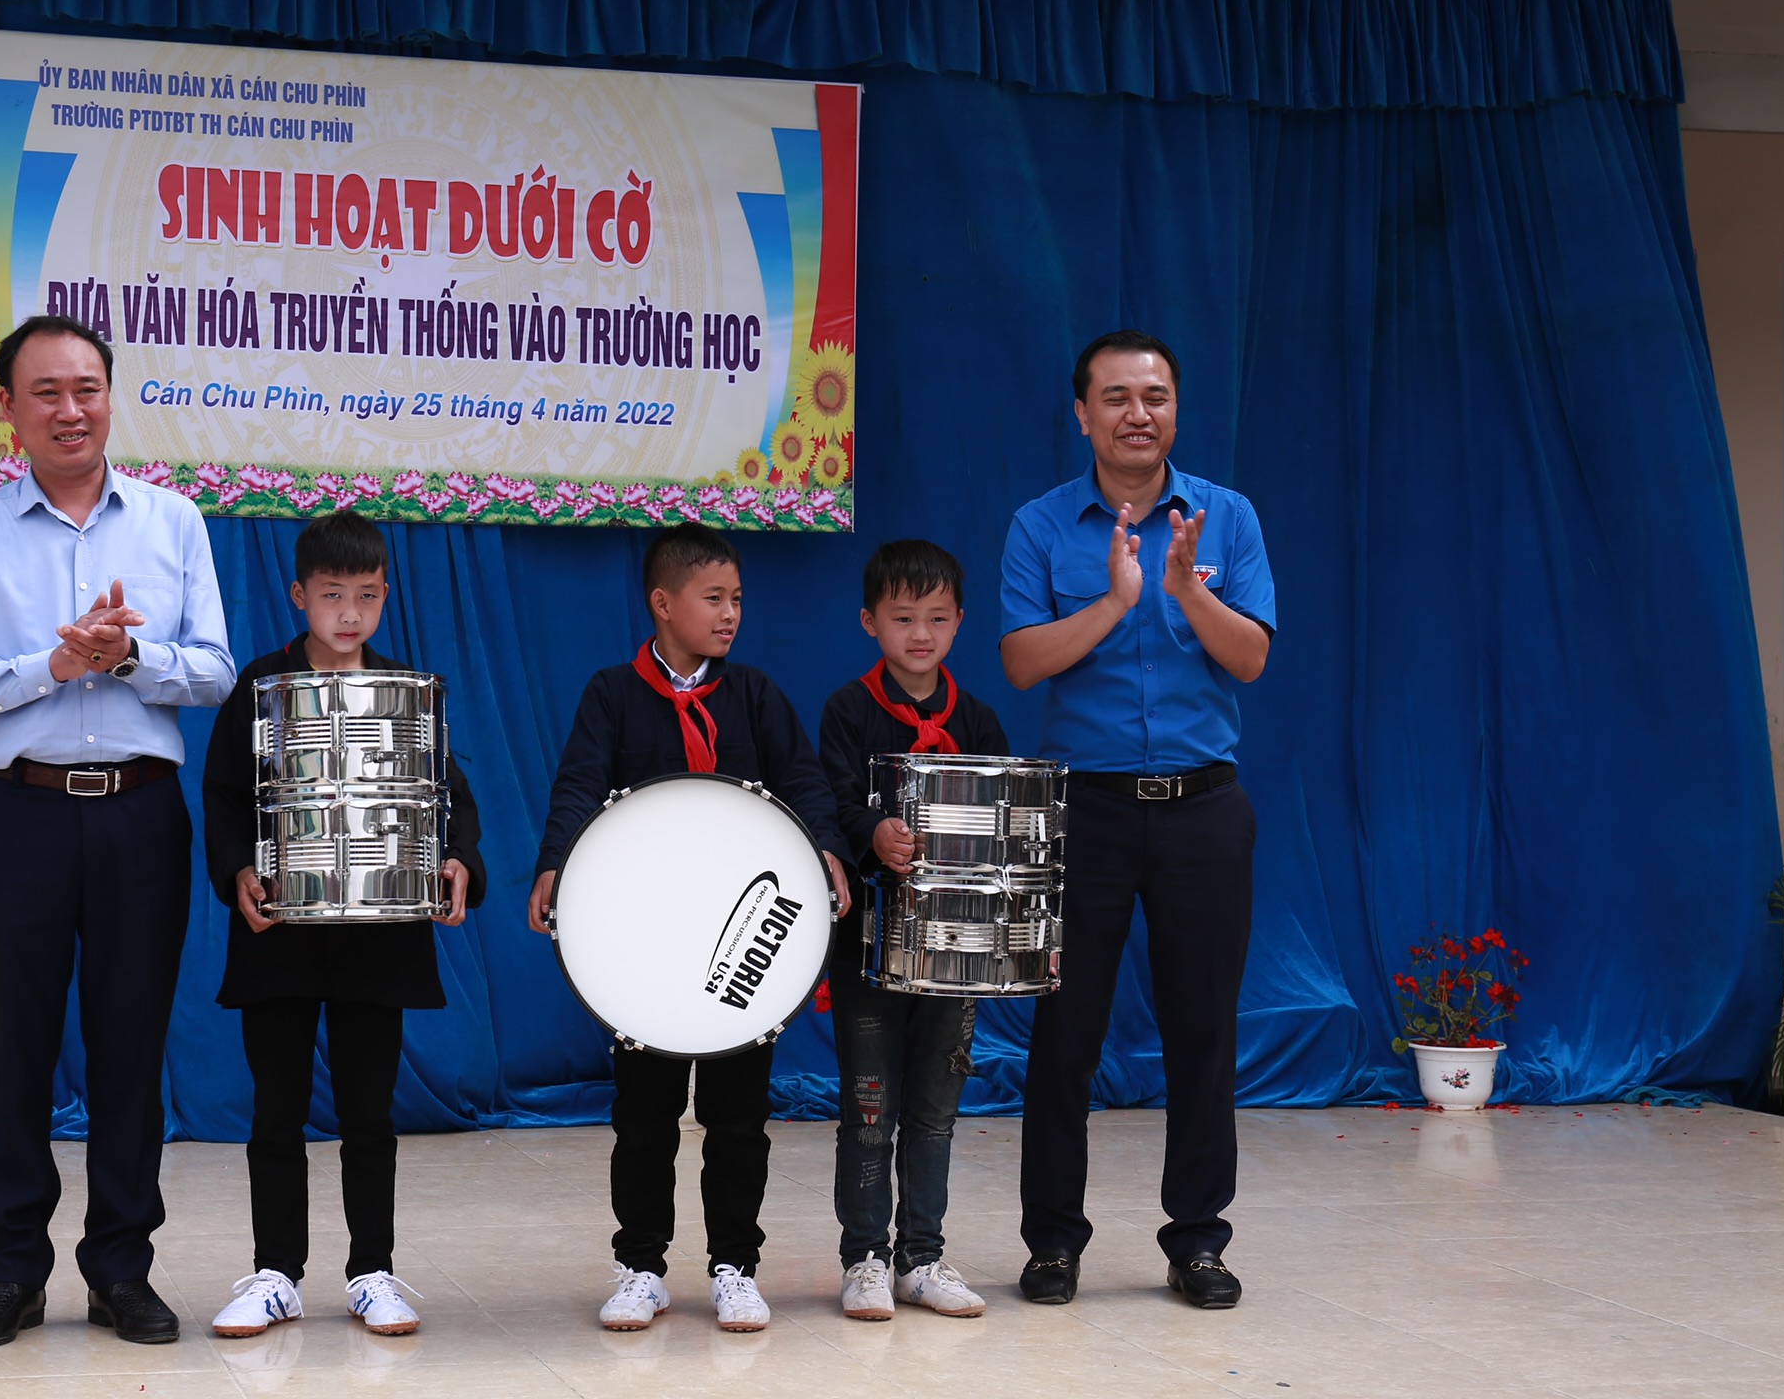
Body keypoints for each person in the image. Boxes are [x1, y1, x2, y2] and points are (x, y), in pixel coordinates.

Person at [0, 313, 237, 1348]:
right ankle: (11, 1270)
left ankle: (121, 1269)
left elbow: (215, 671)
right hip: (17, 817)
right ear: (6, 407)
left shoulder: (172, 522)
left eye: (87, 388)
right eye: (46, 392)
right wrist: (50, 667)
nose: (70, 410)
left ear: (110, 397)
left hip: (140, 816)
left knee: (130, 1049)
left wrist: (127, 661)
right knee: (17, 1048)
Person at [999, 329, 1275, 1311]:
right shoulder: (1041, 525)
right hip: (1087, 813)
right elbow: (1022, 663)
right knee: (1064, 1034)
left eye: (1154, 396)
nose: (1137, 413)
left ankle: (1197, 1240)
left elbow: (1250, 660)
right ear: (1083, 414)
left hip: (1204, 810)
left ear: (1175, 409)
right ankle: (1053, 1242)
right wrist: (1115, 604)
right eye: (1116, 397)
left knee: (1204, 1032)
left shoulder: (1227, 518)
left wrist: (1186, 590)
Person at [526, 523, 850, 1334]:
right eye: (714, 598)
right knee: (644, 1117)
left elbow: (805, 783)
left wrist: (826, 848)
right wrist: (555, 862)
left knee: (739, 1119)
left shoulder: (756, 696)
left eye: (737, 598)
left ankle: (736, 1265)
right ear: (663, 604)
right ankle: (640, 1266)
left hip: (744, 947)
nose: (731, 613)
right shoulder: (611, 694)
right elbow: (579, 787)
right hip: (649, 949)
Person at [199, 509, 486, 1339]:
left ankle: (373, 1272)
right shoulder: (261, 687)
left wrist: (459, 860)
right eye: (332, 595)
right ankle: (275, 1274)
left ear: (386, 593)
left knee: (369, 1115)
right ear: (299, 596)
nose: (350, 613)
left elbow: (448, 796)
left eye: (366, 595)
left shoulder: (406, 691)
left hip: (378, 939)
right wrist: (237, 872)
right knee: (275, 1113)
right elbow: (224, 795)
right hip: (280, 936)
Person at [814, 539, 1010, 1321]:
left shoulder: (979, 719)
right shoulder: (847, 711)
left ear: (960, 621)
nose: (920, 633)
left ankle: (921, 1257)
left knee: (935, 1111)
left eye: (937, 617)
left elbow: (1004, 821)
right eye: (902, 618)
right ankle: (864, 1258)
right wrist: (874, 832)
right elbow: (827, 801)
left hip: (954, 951)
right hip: (869, 945)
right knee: (870, 1110)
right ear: (870, 622)